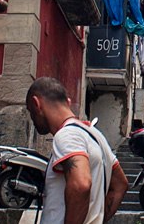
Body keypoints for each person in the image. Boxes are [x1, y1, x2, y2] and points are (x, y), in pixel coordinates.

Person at [26, 77, 128, 224]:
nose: (32, 119)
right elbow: (120, 185)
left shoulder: (67, 135)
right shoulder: (95, 135)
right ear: (67, 103)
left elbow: (81, 184)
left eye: (30, 112)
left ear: (36, 104)